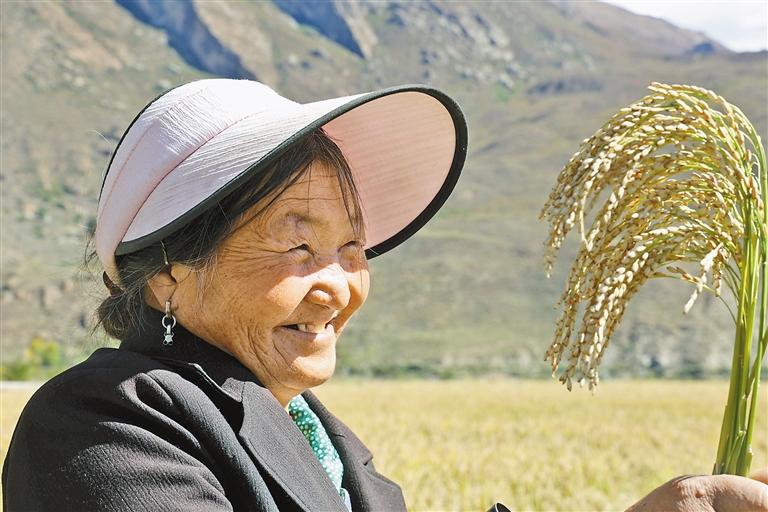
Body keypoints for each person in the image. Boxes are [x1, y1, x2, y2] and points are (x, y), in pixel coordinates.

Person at [1, 78, 765, 512]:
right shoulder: (100, 424)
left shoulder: (328, 444)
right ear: (170, 271)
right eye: (299, 247)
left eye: (352, 248)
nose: (338, 285)